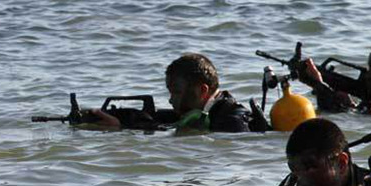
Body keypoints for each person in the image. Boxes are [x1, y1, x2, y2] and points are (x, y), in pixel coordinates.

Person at [94, 53, 268, 132]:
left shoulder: (232, 122)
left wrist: (122, 128)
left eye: (176, 93)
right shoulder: (211, 111)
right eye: (170, 93)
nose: (171, 100)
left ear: (202, 90)